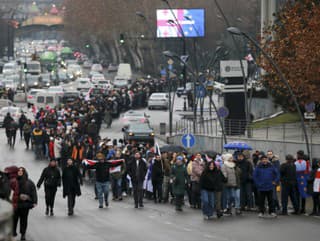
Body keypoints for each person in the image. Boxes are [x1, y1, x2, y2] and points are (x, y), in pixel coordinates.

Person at [13, 167, 37, 241]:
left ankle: (23, 234)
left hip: (25, 205)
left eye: (21, 171)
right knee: (14, 219)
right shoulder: (13, 182)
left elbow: (33, 192)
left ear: (24, 172)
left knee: (24, 220)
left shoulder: (29, 182)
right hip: (15, 204)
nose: (20, 172)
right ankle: (13, 231)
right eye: (18, 171)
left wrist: (34, 201)